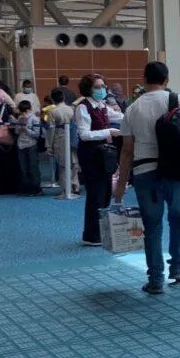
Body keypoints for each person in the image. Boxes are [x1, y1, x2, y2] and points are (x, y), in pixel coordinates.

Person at [114, 61, 180, 294]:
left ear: (144, 80)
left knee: (152, 225)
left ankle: (155, 280)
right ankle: (177, 268)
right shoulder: (179, 101)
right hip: (177, 171)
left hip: (145, 172)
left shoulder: (133, 108)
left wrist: (121, 183)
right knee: (178, 218)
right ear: (166, 80)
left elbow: (127, 150)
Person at [76, 73, 122, 246]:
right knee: (95, 193)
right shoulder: (83, 107)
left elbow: (119, 117)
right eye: (97, 87)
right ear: (88, 89)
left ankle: (101, 231)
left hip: (103, 153)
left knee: (105, 192)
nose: (101, 89)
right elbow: (84, 134)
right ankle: (91, 235)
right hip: (90, 154)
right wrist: (108, 131)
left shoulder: (102, 105)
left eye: (103, 86)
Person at [47, 88, 79, 195]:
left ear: (52, 99)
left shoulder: (52, 111)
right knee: (74, 162)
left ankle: (66, 188)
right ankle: (75, 185)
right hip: (72, 136)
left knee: (62, 165)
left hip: (60, 138)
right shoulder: (71, 109)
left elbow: (51, 130)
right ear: (63, 97)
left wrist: (49, 145)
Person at [11, 100, 43, 196]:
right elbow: (16, 132)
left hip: (31, 144)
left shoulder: (35, 119)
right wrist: (20, 125)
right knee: (23, 168)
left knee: (33, 167)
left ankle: (36, 188)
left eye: (25, 111)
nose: (24, 113)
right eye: (22, 111)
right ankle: (26, 188)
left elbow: (36, 134)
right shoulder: (20, 118)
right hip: (21, 144)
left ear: (29, 109)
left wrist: (26, 128)